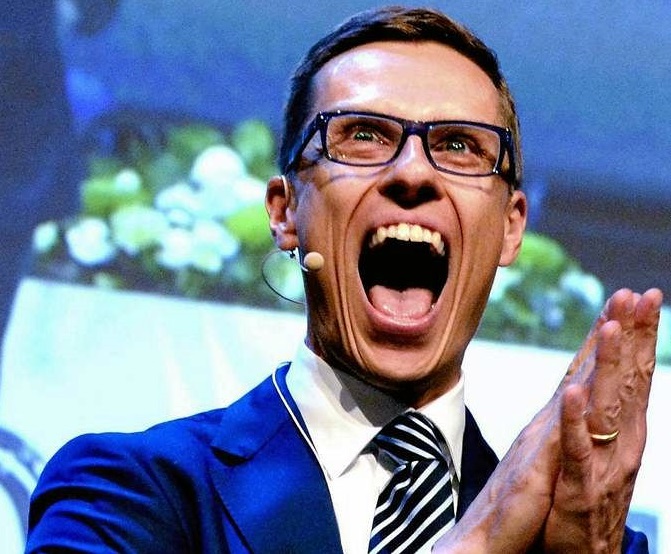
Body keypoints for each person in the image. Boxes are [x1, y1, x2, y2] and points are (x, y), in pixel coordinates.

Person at [25, 6, 663, 553]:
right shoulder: (127, 492)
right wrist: (483, 539)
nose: (413, 173)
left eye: (459, 146)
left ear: (509, 228)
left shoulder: (585, 542)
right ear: (285, 212)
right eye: (363, 135)